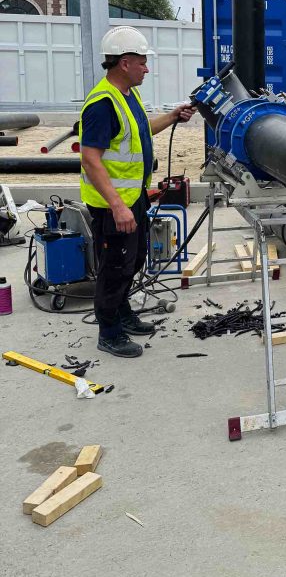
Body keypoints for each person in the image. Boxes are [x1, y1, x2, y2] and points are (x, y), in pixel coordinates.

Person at [79, 26, 197, 358]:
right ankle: (109, 332)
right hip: (113, 204)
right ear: (125, 62)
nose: (147, 68)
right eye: (142, 62)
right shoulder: (102, 104)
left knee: (135, 260)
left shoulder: (128, 96)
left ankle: (122, 313)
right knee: (115, 267)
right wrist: (117, 206)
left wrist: (172, 117)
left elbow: (142, 131)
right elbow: (90, 159)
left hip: (134, 197)